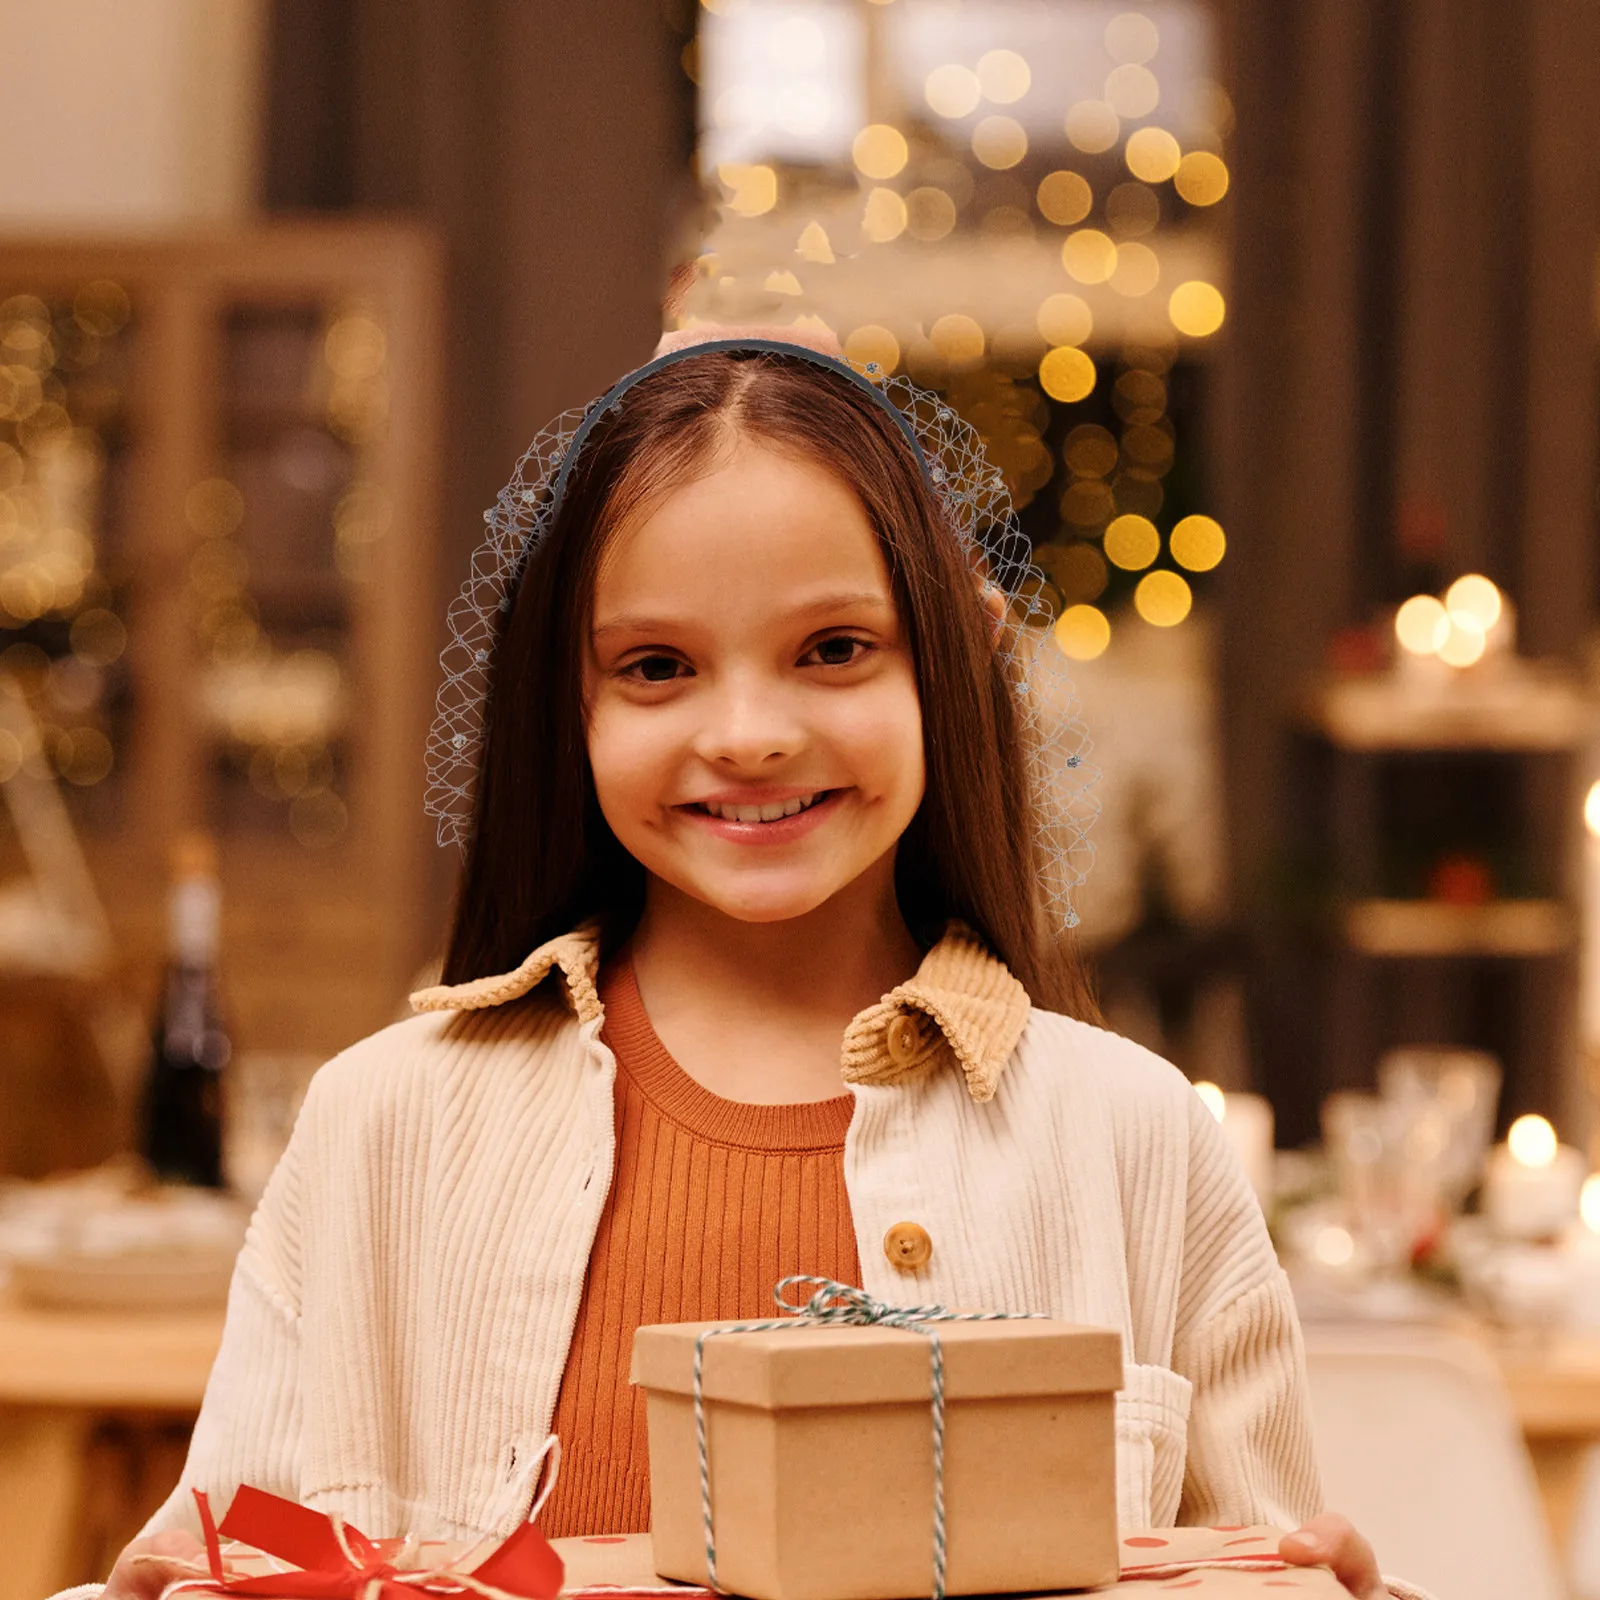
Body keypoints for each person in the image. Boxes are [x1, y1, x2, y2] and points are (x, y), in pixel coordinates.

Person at [84, 328, 1426, 1600]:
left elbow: (1269, 1560)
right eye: (658, 666)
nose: (749, 732)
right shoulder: (383, 1126)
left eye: (833, 650)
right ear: (573, 708)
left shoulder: (1137, 1141)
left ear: (950, 667)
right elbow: (222, 1552)